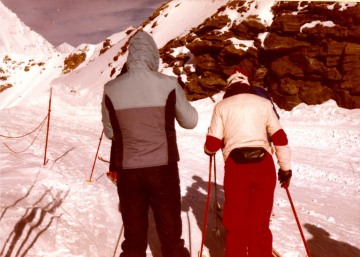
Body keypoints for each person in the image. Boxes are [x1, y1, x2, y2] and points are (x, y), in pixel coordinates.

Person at [101, 30, 198, 257]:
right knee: (171, 235)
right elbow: (191, 122)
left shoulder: (110, 88)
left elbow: (109, 132)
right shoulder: (169, 84)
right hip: (163, 168)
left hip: (129, 171)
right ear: (153, 55)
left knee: (134, 239)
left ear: (130, 55)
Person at [203, 68, 292, 257]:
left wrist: (208, 149)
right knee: (260, 222)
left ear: (229, 86)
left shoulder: (222, 106)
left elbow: (212, 144)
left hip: (237, 169)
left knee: (236, 223)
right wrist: (285, 169)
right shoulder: (264, 103)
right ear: (248, 85)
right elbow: (280, 138)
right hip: (264, 166)